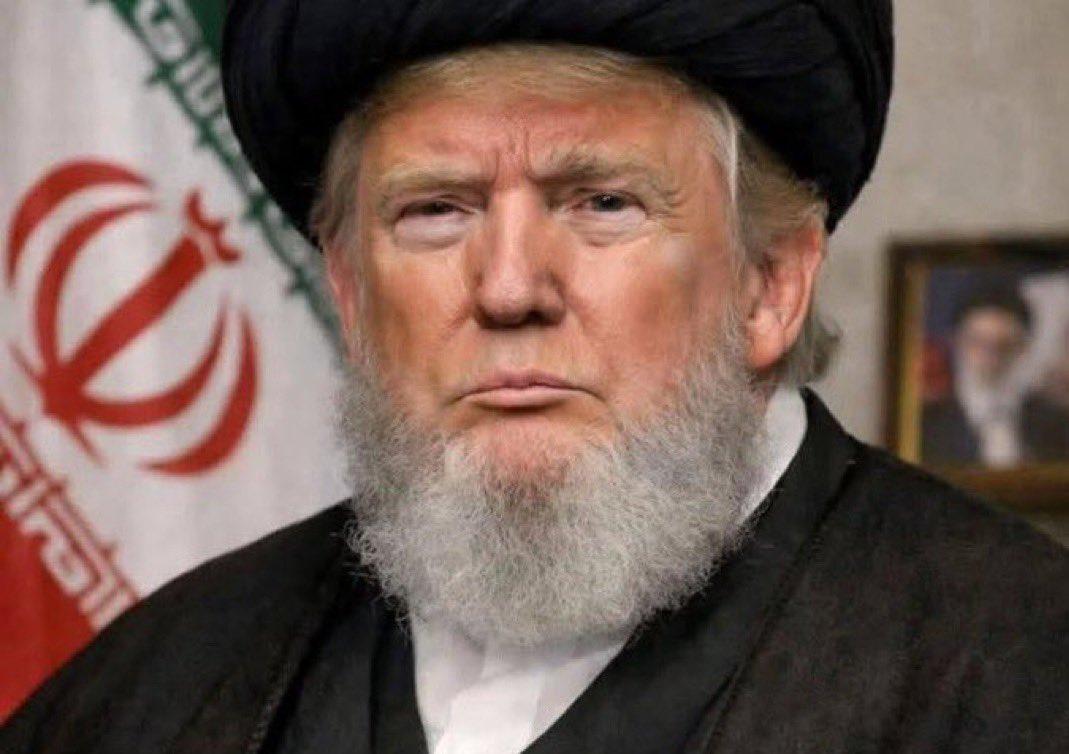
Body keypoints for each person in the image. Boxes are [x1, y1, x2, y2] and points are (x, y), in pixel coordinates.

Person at [3, 1, 1067, 752]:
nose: (509, 287)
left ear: (769, 284)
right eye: (435, 211)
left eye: (601, 203)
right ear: (350, 293)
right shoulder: (144, 694)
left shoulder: (1022, 670)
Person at [922, 285, 1069, 466]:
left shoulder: (1057, 424)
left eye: (1004, 346)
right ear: (955, 342)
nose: (990, 359)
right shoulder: (923, 426)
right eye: (977, 343)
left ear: (1024, 349)